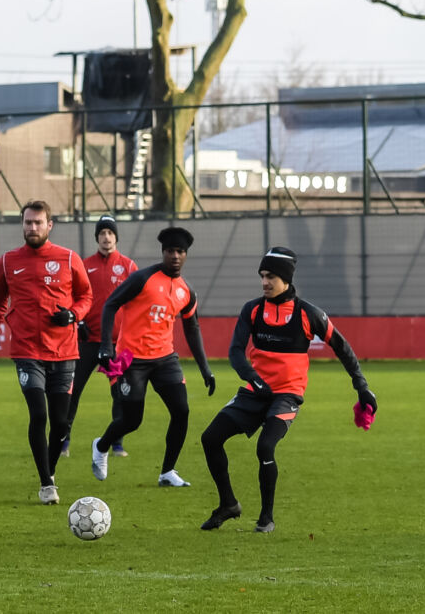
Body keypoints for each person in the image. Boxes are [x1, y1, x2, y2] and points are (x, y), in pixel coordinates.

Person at [198, 247, 376, 534]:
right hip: (255, 390)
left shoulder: (308, 314)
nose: (264, 282)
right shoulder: (253, 309)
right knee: (210, 438)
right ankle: (228, 504)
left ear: (286, 278)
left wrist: (362, 387)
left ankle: (266, 517)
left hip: (286, 395)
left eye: (270, 276)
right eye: (262, 276)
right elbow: (235, 352)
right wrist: (253, 379)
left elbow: (342, 348)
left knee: (265, 447)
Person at [0, 200, 93, 505]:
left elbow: (86, 295)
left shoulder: (68, 259)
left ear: (49, 225)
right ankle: (46, 483)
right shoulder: (8, 261)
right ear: (22, 224)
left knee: (61, 422)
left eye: (38, 223)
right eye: (28, 222)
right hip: (27, 350)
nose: (32, 228)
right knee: (38, 414)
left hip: (65, 351)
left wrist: (73, 315)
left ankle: (49, 471)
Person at [91, 226, 216, 488]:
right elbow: (111, 304)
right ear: (163, 252)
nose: (175, 256)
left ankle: (167, 472)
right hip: (131, 360)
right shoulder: (142, 279)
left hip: (165, 360)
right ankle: (101, 445)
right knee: (132, 420)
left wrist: (206, 369)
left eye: (180, 251)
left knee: (181, 411)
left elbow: (192, 329)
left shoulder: (186, 291)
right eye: (170, 250)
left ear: (186, 255)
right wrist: (105, 346)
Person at [61, 215, 137, 458]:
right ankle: (63, 442)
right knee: (72, 392)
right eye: (102, 233)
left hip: (117, 344)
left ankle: (116, 443)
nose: (106, 237)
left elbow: (137, 303)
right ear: (97, 237)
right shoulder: (84, 265)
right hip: (87, 342)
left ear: (116, 237)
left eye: (110, 233)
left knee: (120, 394)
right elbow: (71, 297)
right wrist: (79, 320)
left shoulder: (128, 266)